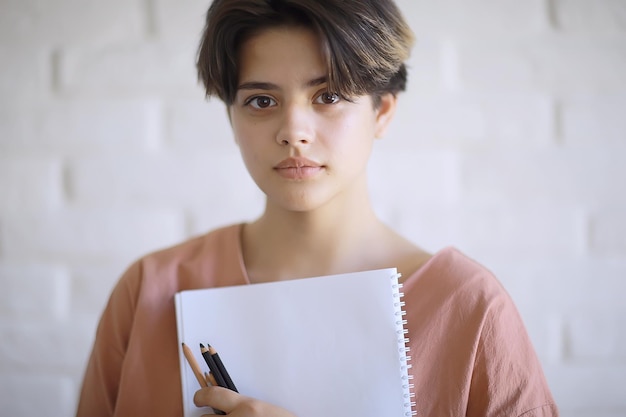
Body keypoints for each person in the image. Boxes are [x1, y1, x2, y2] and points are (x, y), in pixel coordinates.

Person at [75, 0, 559, 416]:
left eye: (328, 96)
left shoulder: (468, 307)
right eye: (261, 100)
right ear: (231, 116)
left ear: (382, 111)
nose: (294, 130)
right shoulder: (150, 291)